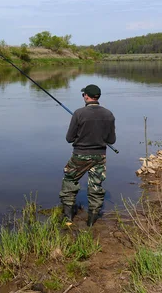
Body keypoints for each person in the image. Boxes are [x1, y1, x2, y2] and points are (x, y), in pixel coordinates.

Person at [59, 84, 116, 226]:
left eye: (83, 94)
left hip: (80, 155)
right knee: (95, 186)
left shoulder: (79, 113)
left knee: (69, 181)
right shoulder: (109, 114)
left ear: (86, 96)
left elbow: (69, 138)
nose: (83, 96)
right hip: (99, 156)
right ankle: (91, 222)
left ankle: (68, 218)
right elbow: (111, 140)